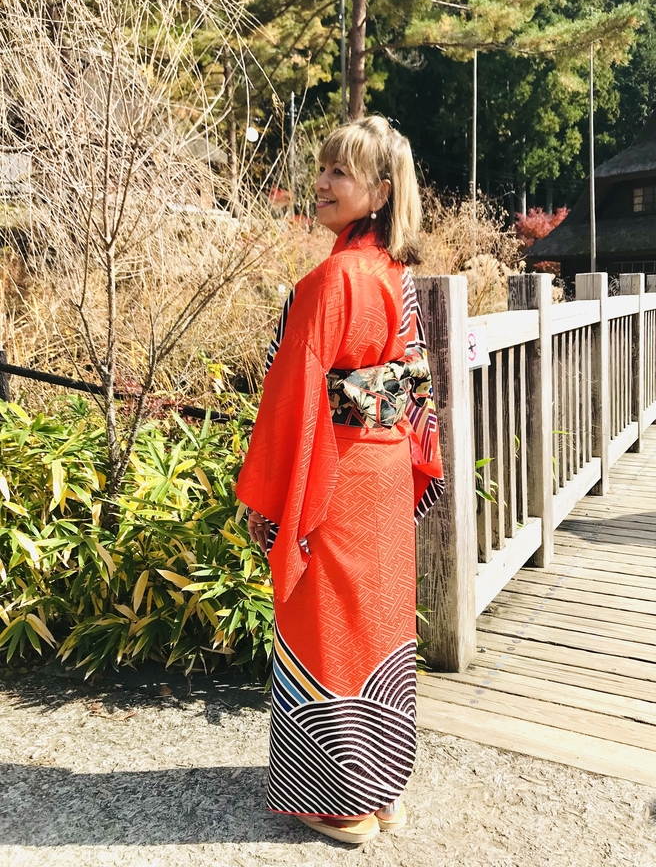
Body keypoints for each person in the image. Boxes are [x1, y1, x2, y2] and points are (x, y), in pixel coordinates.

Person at [236, 116, 443, 845]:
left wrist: (270, 498)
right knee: (377, 620)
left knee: (325, 623)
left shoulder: (329, 280)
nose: (321, 183)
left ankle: (343, 801)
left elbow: (292, 395)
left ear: (381, 191)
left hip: (333, 473)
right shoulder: (395, 274)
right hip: (383, 467)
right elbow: (414, 379)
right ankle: (382, 786)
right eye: (321, 168)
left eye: (340, 173)